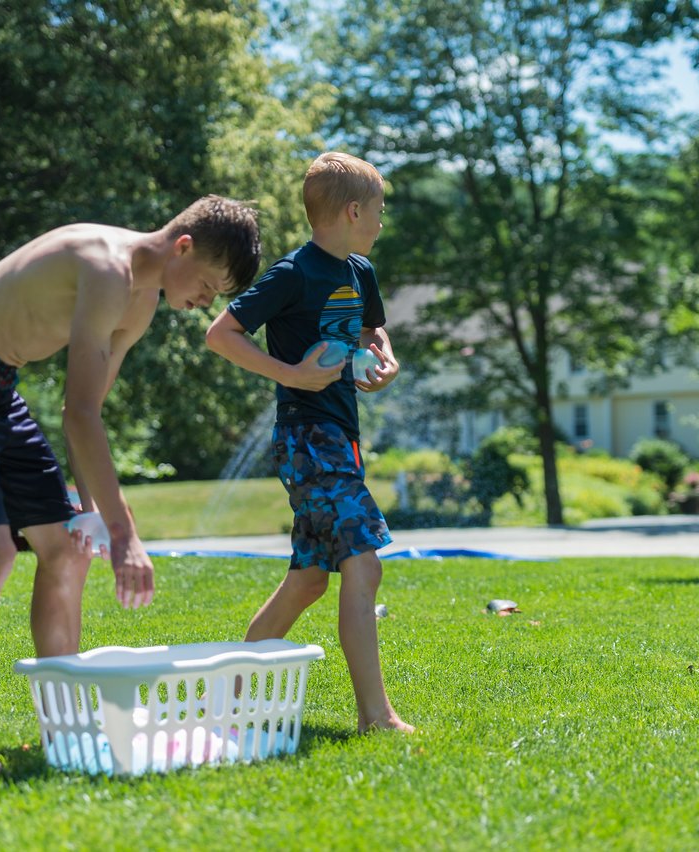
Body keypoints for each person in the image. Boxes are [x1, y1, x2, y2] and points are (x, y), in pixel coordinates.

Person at [0, 196, 262, 776]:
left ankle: (63, 730)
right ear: (183, 246)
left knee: (68, 548)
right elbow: (80, 417)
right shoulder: (103, 265)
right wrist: (124, 532)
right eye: (209, 288)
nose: (202, 305)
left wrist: (90, 514)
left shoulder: (139, 307)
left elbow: (82, 407)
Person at [206, 152, 413, 734]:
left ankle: (229, 696)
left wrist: (385, 354)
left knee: (309, 580)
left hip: (340, 437)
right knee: (363, 566)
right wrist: (291, 374)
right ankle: (376, 717)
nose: (379, 223)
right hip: (307, 437)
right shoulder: (293, 274)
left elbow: (372, 328)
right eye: (377, 213)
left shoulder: (359, 272)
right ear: (353, 211)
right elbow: (221, 334)